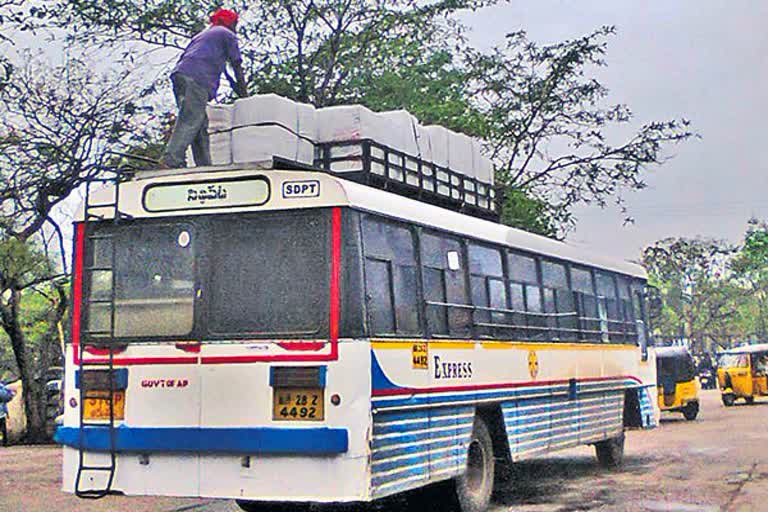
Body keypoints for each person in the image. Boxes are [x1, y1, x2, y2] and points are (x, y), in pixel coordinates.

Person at [161, 8, 249, 169]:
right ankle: (172, 158)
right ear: (230, 22)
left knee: (200, 123)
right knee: (190, 119)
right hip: (197, 78)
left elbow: (208, 60)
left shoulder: (204, 35)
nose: (236, 27)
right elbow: (237, 65)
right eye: (235, 23)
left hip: (180, 75)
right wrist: (244, 93)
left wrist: (232, 83)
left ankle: (204, 165)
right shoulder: (227, 35)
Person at [0, 381, 16, 447]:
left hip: (1, 413)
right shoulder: (2, 387)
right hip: (1, 413)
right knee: (3, 429)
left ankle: (4, 441)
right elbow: (9, 395)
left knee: (2, 429)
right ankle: (4, 442)